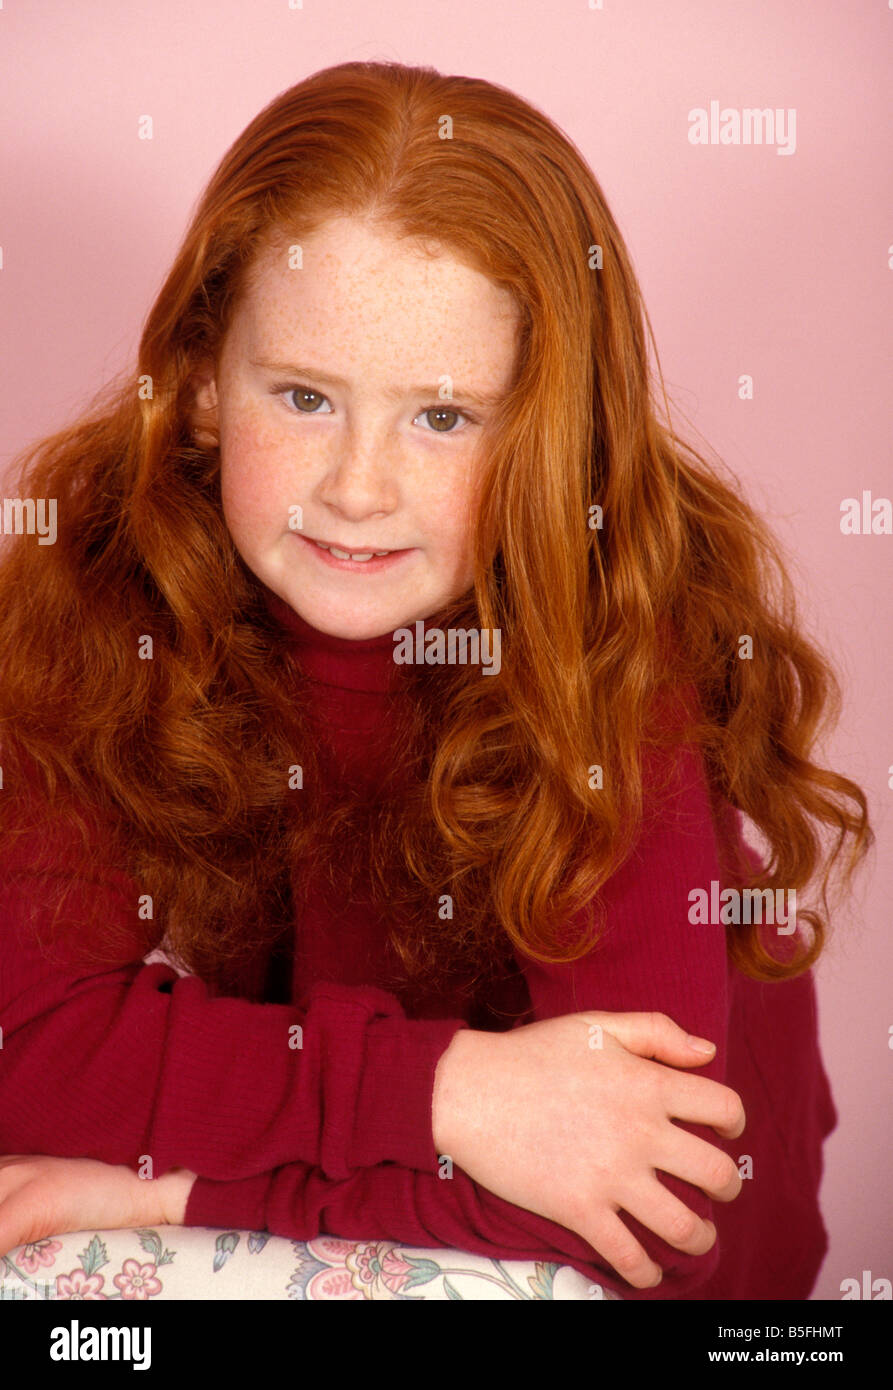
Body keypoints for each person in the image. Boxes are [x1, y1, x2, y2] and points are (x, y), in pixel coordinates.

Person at [0, 60, 871, 1301]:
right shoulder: (97, 596)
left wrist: (168, 1187)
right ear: (200, 388)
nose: (358, 487)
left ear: (548, 433)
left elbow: (638, 1195)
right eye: (303, 397)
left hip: (663, 1277)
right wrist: (449, 1089)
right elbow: (28, 1042)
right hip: (385, 1171)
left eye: (444, 419)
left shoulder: (610, 654)